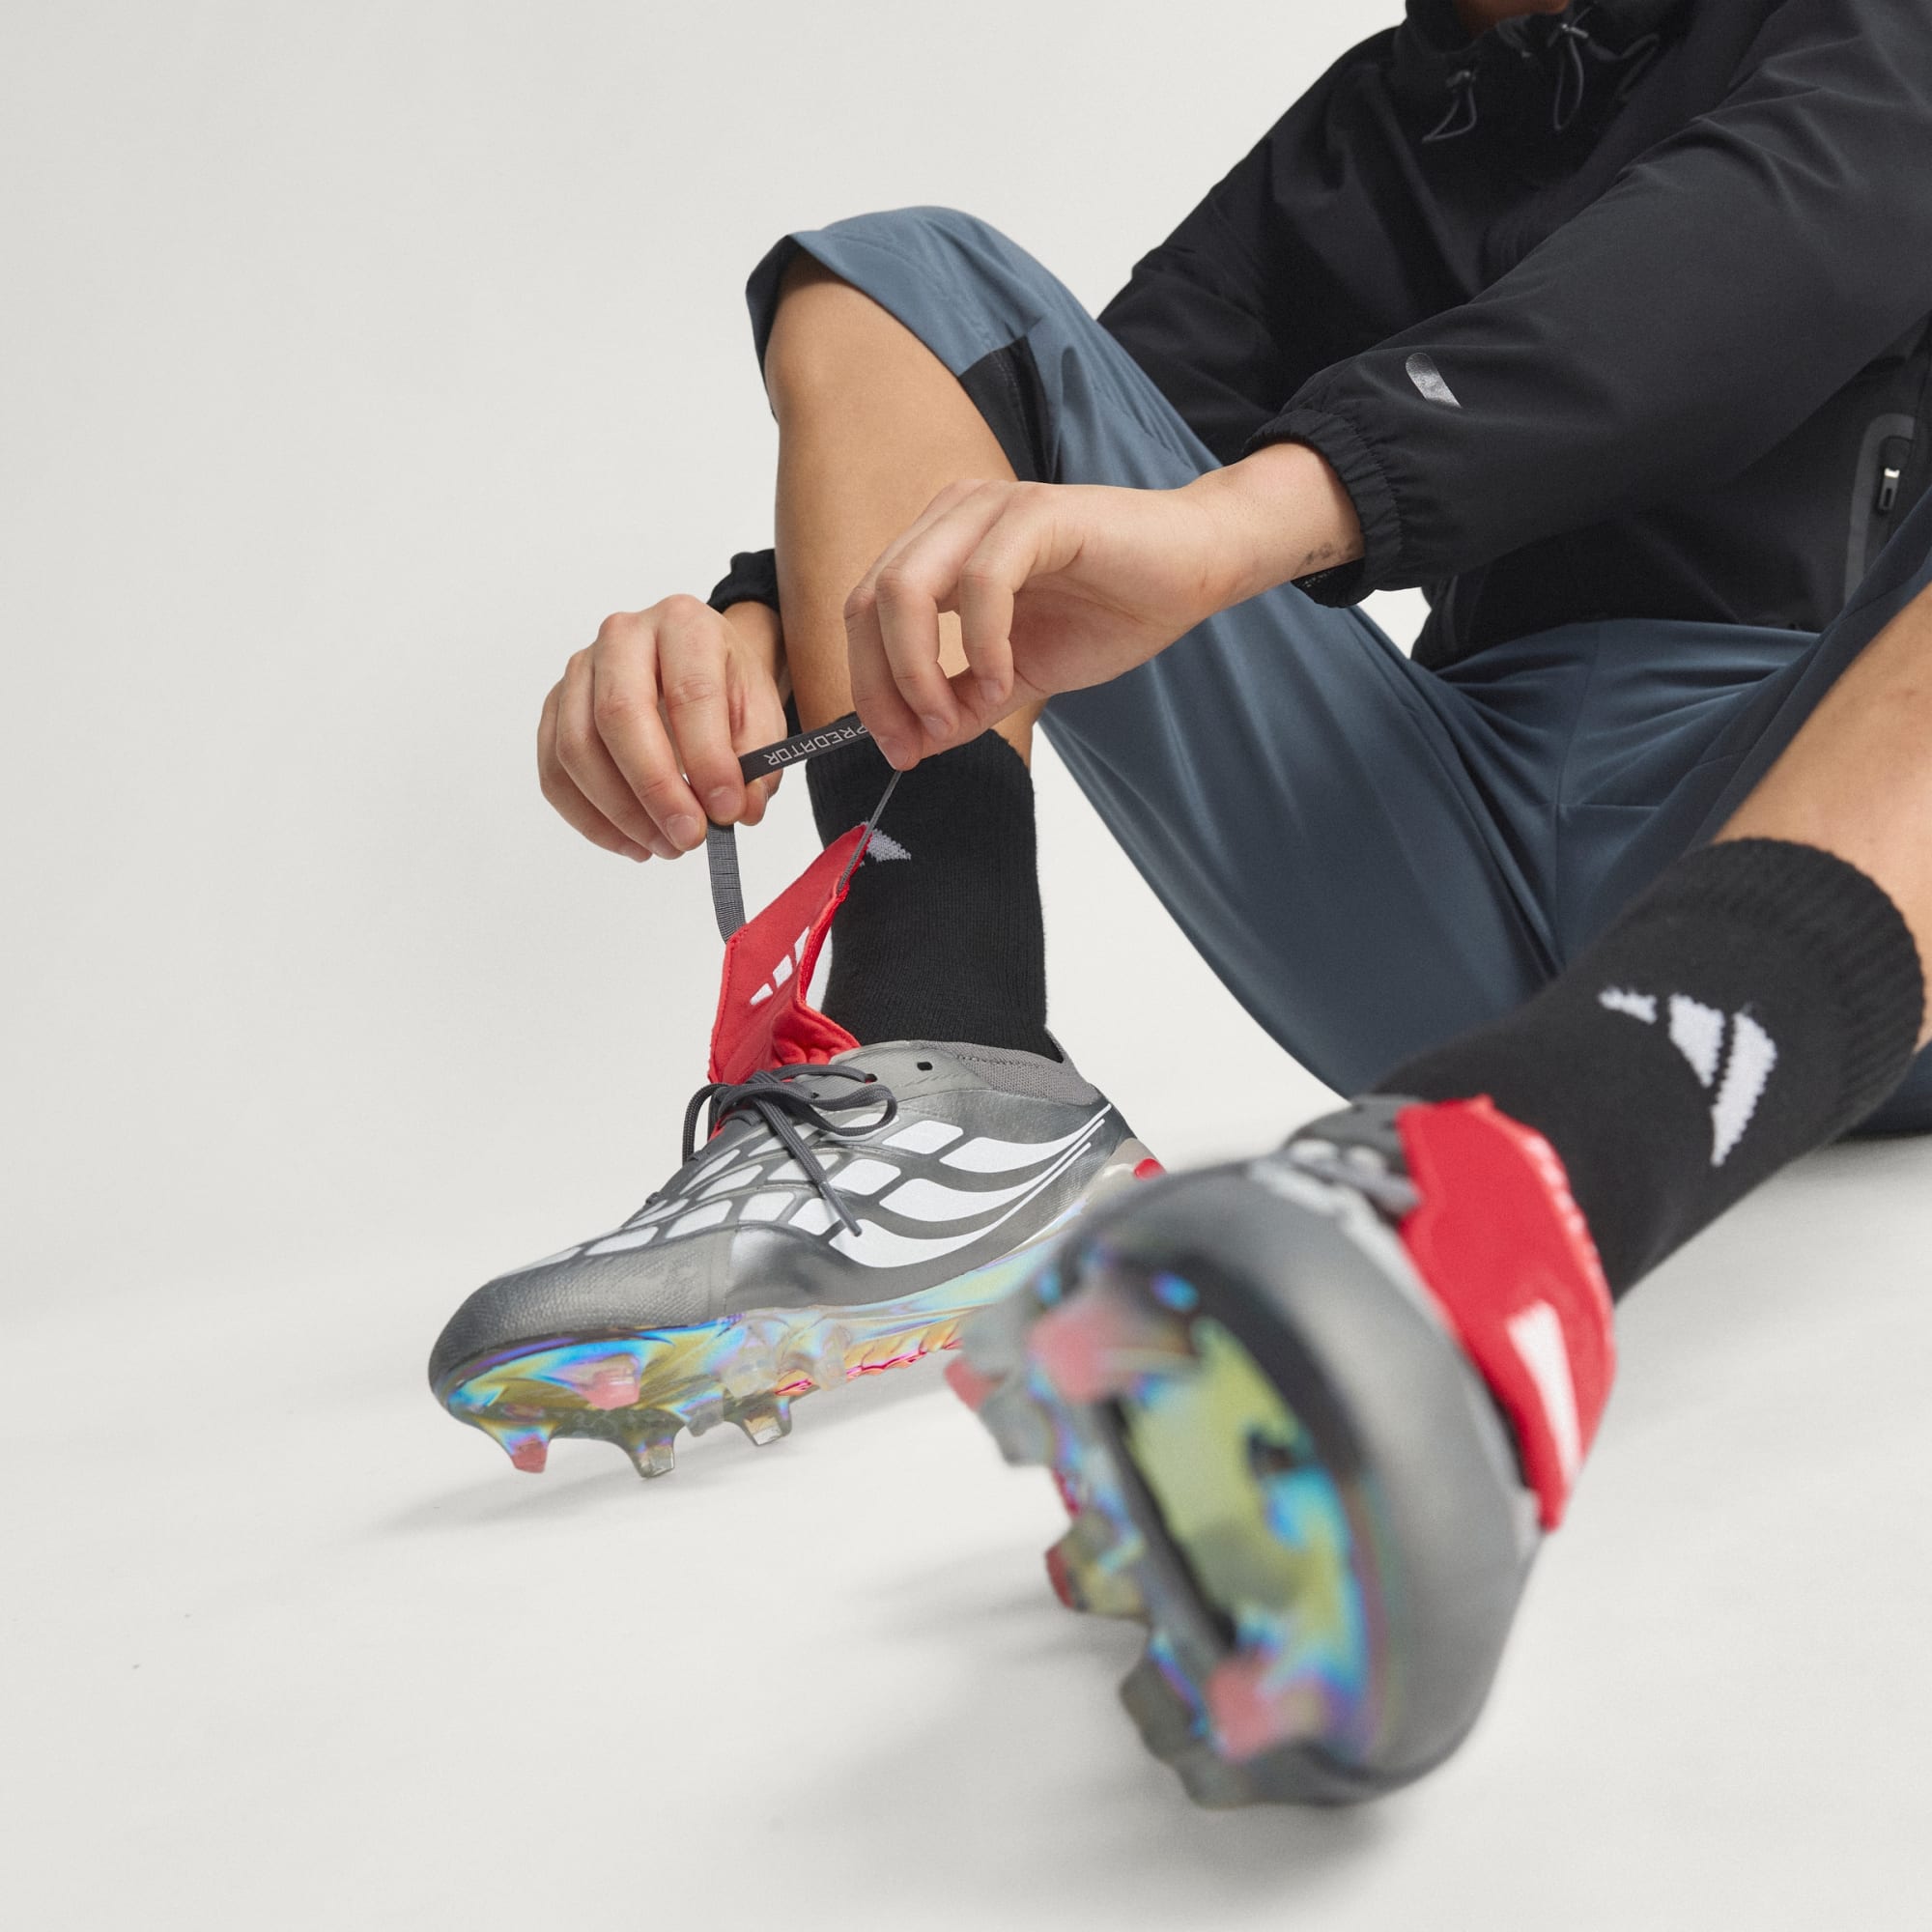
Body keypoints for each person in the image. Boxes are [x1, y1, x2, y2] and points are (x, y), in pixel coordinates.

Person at [428, 0, 1932, 1802]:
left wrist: (1259, 518)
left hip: (1839, 838)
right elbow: (1042, 417)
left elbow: (1747, 260)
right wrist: (769, 628)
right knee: (901, 285)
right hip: (1459, 861)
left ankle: (1525, 1191)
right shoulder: (1391, 124)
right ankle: (951, 1067)